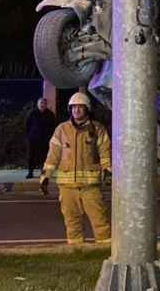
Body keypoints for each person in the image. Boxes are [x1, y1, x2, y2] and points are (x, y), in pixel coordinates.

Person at [40, 92, 111, 244]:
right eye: (73, 107)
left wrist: (108, 171)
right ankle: (76, 252)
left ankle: (105, 251)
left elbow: (105, 153)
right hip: (67, 188)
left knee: (100, 222)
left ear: (87, 109)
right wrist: (45, 176)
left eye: (80, 107)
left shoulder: (97, 129)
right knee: (72, 223)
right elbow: (53, 155)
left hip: (90, 187)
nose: (76, 110)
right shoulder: (61, 130)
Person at [25, 97, 57, 178]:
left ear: (46, 104)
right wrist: (30, 134)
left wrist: (49, 136)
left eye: (44, 103)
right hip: (33, 139)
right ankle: (30, 172)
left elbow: (53, 126)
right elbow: (27, 125)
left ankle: (43, 172)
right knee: (32, 155)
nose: (42, 105)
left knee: (44, 156)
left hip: (45, 139)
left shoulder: (50, 114)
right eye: (41, 103)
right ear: (38, 104)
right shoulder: (32, 113)